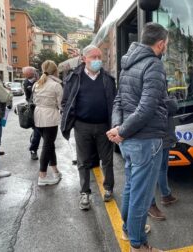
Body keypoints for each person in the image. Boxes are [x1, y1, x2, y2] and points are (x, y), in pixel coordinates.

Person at [106, 22, 168, 252]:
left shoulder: (127, 64)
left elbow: (119, 101)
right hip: (145, 140)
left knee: (132, 188)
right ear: (160, 43)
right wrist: (120, 131)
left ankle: (128, 229)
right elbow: (146, 108)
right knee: (142, 197)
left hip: (129, 140)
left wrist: (118, 127)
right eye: (166, 44)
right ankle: (138, 245)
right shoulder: (153, 65)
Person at [61, 45, 116, 209]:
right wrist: (69, 119)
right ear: (84, 59)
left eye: (100, 57)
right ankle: (85, 193)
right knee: (83, 161)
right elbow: (65, 102)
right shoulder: (74, 78)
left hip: (104, 127)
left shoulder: (108, 79)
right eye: (93, 57)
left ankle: (108, 188)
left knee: (107, 160)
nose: (98, 60)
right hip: (82, 126)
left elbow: (115, 102)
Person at [147, 95, 178, 221]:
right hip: (155, 138)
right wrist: (170, 101)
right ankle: (150, 204)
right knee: (152, 173)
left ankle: (166, 195)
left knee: (163, 168)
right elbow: (172, 105)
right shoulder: (150, 91)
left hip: (165, 138)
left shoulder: (161, 89)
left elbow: (170, 106)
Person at [33, 60, 63, 186]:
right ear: (55, 71)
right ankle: (42, 176)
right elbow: (61, 104)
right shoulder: (56, 85)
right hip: (50, 117)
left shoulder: (37, 84)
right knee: (47, 146)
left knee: (49, 145)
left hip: (38, 116)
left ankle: (55, 171)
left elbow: (34, 100)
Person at [22, 66, 41, 160]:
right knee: (38, 131)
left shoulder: (41, 79)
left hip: (44, 110)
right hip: (34, 109)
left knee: (43, 133)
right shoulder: (27, 83)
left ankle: (48, 151)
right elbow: (30, 97)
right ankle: (33, 150)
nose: (26, 76)